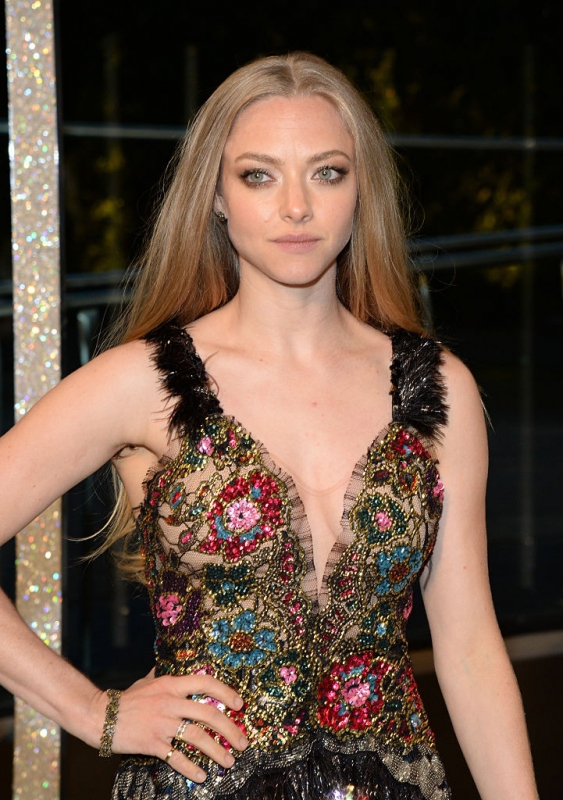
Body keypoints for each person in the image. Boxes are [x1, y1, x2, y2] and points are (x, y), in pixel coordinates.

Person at [0, 52, 538, 800]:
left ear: (361, 191)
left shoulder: (437, 389)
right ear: (217, 198)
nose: (296, 207)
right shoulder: (144, 383)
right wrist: (94, 712)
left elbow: (471, 648)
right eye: (258, 175)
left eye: (327, 173)